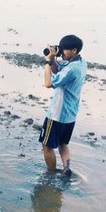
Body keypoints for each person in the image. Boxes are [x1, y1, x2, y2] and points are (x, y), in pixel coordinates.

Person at [39, 34, 87, 177]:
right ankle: (66, 168)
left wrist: (48, 62)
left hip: (57, 114)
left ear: (74, 50)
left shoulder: (70, 70)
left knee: (46, 146)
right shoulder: (82, 63)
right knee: (62, 144)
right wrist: (54, 58)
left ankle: (51, 174)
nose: (62, 52)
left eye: (65, 50)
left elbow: (48, 83)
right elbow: (58, 70)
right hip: (70, 115)